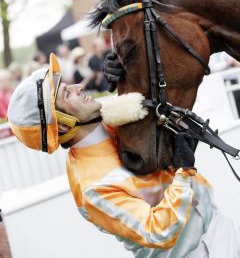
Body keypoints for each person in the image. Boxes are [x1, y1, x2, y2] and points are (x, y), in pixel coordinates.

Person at [7, 53, 240, 257]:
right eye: (67, 94)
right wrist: (184, 173)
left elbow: (164, 94)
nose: (79, 86)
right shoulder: (92, 188)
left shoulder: (112, 121)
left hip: (220, 229)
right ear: (64, 126)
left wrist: (131, 68)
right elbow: (156, 231)